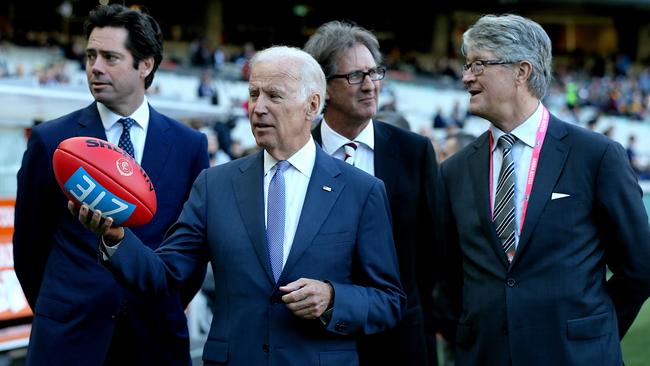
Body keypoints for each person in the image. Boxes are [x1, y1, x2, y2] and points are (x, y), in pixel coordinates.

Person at [72, 45, 405, 366]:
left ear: (312, 105)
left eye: (274, 96)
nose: (258, 108)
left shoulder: (362, 191)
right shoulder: (214, 185)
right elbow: (166, 277)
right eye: (254, 94)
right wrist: (116, 237)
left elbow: (389, 301)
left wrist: (333, 299)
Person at [437, 14, 650, 366]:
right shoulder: (454, 171)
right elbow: (446, 279)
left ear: (522, 71)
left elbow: (640, 268)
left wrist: (595, 329)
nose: (466, 76)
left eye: (478, 64)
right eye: (466, 64)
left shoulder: (596, 156)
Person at [13, 4, 209, 365]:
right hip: (68, 338)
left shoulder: (189, 146)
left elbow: (192, 254)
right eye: (90, 55)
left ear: (145, 64)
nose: (95, 67)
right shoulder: (50, 140)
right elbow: (28, 247)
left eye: (110, 57)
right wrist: (61, 304)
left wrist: (161, 300)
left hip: (154, 336)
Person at [305, 20, 439, 366]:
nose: (369, 86)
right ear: (324, 89)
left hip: (401, 342)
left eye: (374, 73)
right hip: (315, 341)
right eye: (355, 77)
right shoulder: (297, 155)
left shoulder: (415, 153)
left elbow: (434, 251)